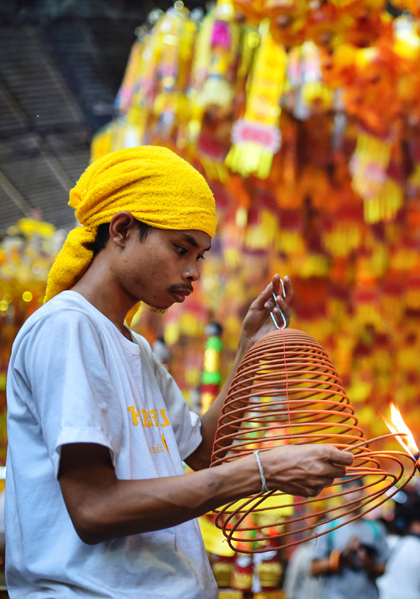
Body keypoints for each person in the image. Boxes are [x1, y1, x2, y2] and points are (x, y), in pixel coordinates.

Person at [4, 146, 355, 598]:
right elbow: (94, 509)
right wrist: (263, 471)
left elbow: (204, 452)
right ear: (123, 230)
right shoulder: (67, 327)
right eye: (180, 248)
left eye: (200, 256)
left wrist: (249, 349)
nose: (193, 273)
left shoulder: (135, 349)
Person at [310, 479, 390, 599]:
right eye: (348, 488)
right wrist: (342, 556)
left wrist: (368, 563)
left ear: (363, 493)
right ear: (341, 492)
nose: (353, 494)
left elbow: (382, 568)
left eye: (357, 488)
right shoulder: (328, 527)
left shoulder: (376, 528)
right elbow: (313, 569)